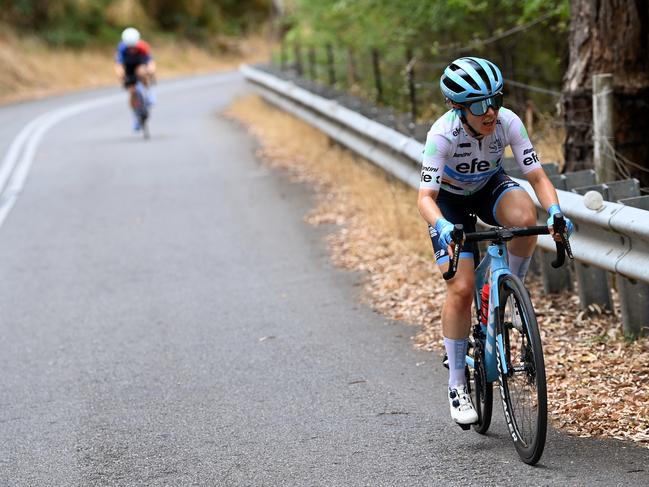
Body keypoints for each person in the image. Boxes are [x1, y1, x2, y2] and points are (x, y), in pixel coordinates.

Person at [416, 57, 573, 427]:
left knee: (524, 218)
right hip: (448, 202)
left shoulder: (508, 122)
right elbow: (424, 198)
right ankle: (456, 384)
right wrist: (442, 226)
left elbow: (536, 176)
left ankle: (507, 293)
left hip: (488, 187)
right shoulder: (442, 134)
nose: (489, 112)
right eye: (478, 104)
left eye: (495, 100)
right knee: (462, 287)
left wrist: (555, 212)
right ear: (458, 107)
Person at [115, 27, 156, 131]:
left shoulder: (143, 47)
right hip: (128, 67)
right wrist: (121, 75)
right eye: (129, 47)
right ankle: (136, 117)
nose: (132, 49)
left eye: (133, 47)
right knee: (132, 91)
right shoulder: (122, 48)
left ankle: (149, 94)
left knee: (142, 71)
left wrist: (151, 71)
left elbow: (151, 62)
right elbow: (118, 65)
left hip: (140, 63)